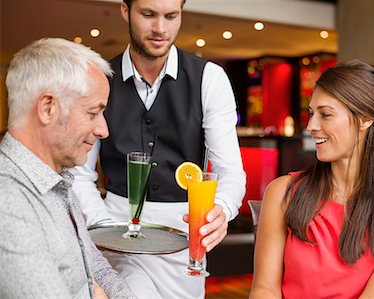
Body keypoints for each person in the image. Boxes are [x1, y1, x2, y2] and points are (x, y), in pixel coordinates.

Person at [70, 0, 246, 298]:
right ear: (126, 11)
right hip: (116, 229)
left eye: (171, 16)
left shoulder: (210, 79)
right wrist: (103, 226)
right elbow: (78, 173)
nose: (160, 29)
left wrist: (222, 210)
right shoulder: (101, 79)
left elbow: (231, 173)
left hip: (183, 236)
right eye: (148, 15)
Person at [249, 60, 374, 298]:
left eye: (326, 114)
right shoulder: (282, 192)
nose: (311, 126)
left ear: (365, 118)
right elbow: (264, 289)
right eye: (312, 114)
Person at [0, 38, 137, 299]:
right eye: (93, 112)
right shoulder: (7, 201)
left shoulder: (58, 180)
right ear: (47, 108)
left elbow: (97, 270)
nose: (103, 130)